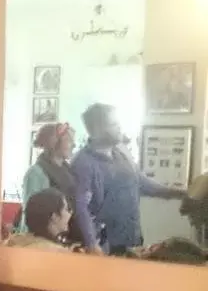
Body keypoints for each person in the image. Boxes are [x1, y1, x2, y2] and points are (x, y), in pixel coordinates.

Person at [72, 103, 187, 256]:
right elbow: (81, 207)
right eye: (114, 124)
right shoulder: (83, 162)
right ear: (97, 129)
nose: (120, 127)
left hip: (133, 237)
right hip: (107, 244)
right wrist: (92, 244)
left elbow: (141, 182)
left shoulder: (121, 151)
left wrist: (182, 193)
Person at [17, 122, 77, 239]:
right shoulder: (36, 173)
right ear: (54, 143)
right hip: (42, 239)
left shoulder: (68, 171)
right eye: (69, 140)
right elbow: (31, 214)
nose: (73, 145)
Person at [5, 188, 72, 252]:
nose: (70, 213)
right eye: (66, 209)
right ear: (54, 216)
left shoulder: (11, 242)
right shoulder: (58, 253)